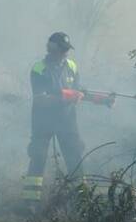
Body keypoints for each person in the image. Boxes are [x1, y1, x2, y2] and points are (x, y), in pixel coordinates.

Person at [21, 32, 114, 204]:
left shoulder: (71, 66)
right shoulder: (38, 69)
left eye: (67, 50)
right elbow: (40, 100)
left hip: (67, 121)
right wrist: (66, 96)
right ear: (51, 48)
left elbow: (79, 92)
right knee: (38, 156)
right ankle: (30, 202)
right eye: (62, 50)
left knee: (74, 157)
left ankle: (82, 200)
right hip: (43, 122)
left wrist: (103, 100)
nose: (66, 53)